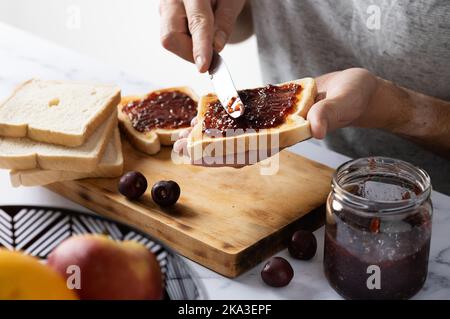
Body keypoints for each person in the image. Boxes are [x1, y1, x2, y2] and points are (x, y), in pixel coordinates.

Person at [159, 0, 450, 195]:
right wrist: (212, 13)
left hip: (427, 204)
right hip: (292, 180)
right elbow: (246, 20)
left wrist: (397, 109)